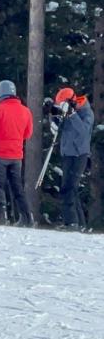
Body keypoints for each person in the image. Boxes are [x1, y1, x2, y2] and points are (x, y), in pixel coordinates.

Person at [0, 80, 34, 226]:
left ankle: (0, 216)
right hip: (16, 155)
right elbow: (28, 134)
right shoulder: (26, 111)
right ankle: (26, 217)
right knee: (17, 187)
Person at [52, 87, 94, 231]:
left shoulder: (86, 112)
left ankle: (72, 223)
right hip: (68, 154)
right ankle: (80, 224)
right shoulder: (70, 112)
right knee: (71, 190)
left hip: (79, 155)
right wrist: (55, 120)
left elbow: (83, 132)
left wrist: (72, 114)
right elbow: (64, 127)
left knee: (68, 189)